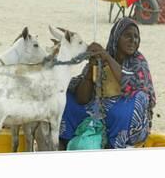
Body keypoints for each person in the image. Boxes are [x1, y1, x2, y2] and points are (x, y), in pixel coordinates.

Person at [60, 17, 156, 149]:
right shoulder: (100, 58)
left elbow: (130, 85)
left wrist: (107, 58)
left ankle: (116, 144)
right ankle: (65, 142)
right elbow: (82, 99)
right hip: (99, 109)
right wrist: (90, 70)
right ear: (116, 37)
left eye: (136, 37)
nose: (133, 41)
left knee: (138, 98)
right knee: (68, 99)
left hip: (124, 114)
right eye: (128, 36)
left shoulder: (138, 61)